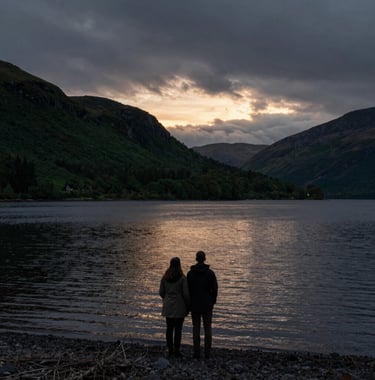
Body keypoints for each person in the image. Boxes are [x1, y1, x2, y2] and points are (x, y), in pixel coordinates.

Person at [187, 251, 218, 359]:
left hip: (194, 304)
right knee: (207, 328)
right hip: (207, 304)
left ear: (196, 259)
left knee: (196, 328)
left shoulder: (190, 274)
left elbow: (188, 290)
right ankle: (207, 353)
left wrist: (188, 303)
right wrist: (213, 301)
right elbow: (215, 289)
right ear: (204, 259)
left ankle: (196, 352)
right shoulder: (210, 273)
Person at [159, 257, 190, 358]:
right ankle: (176, 350)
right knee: (178, 329)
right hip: (179, 306)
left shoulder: (164, 277)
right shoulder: (182, 278)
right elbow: (186, 294)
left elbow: (161, 292)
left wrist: (167, 298)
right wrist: (188, 305)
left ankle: (170, 349)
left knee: (169, 328)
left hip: (168, 305)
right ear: (179, 265)